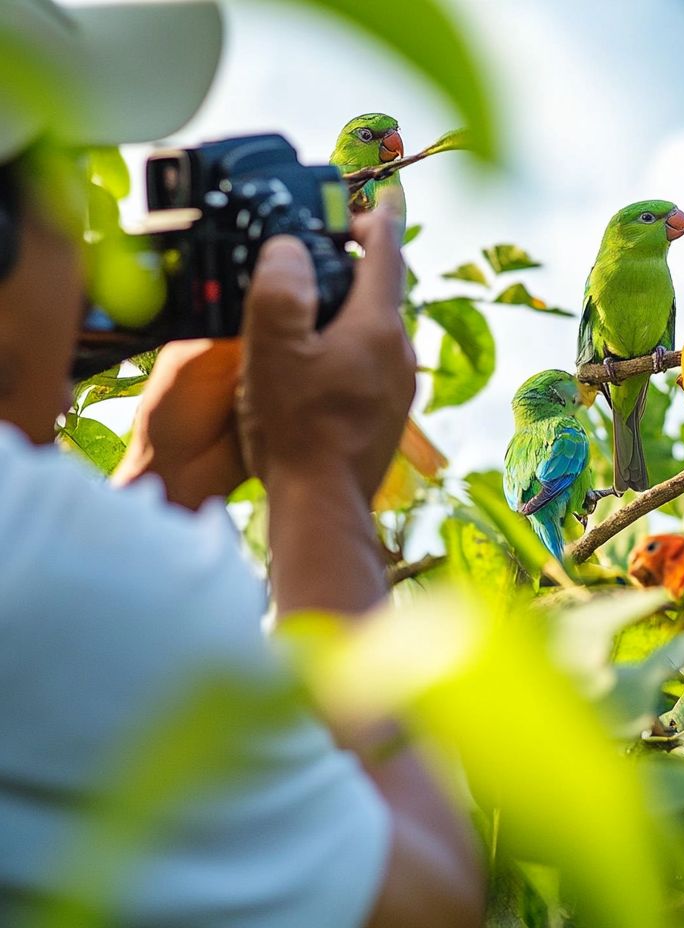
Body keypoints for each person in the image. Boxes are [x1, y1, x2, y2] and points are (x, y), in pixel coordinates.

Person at [0, 2, 484, 926]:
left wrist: (161, 479)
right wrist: (322, 485)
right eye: (71, 185)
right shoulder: (40, 572)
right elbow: (426, 897)